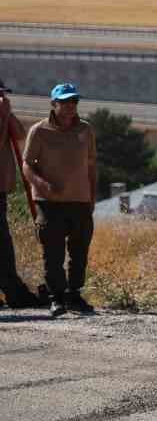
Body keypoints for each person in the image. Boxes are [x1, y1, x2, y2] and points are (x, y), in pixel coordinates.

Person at [21, 83, 97, 317]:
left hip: (80, 201)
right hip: (49, 203)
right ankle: (56, 298)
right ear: (53, 104)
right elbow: (27, 165)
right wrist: (42, 185)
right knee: (53, 253)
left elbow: (91, 165)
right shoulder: (39, 130)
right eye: (64, 102)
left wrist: (92, 197)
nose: (69, 107)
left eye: (73, 101)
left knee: (79, 252)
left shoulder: (85, 130)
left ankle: (74, 295)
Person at [0, 79, 43, 309]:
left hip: (1, 190)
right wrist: (4, 115)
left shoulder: (3, 114)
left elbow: (19, 134)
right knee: (2, 243)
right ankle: (13, 291)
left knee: (3, 241)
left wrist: (8, 114)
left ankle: (12, 289)